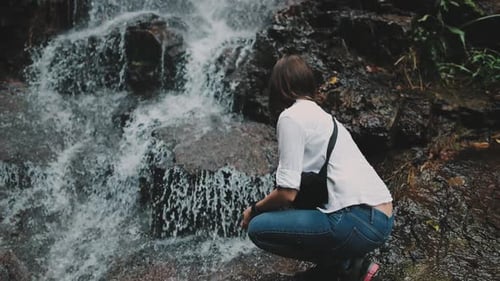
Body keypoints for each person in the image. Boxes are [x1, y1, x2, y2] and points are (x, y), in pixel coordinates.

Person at [240, 55, 394, 281]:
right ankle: (351, 263)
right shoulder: (325, 118)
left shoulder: (291, 117)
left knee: (258, 228)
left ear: (279, 88)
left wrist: (253, 210)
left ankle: (346, 265)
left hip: (356, 221)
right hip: (382, 220)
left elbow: (287, 193)